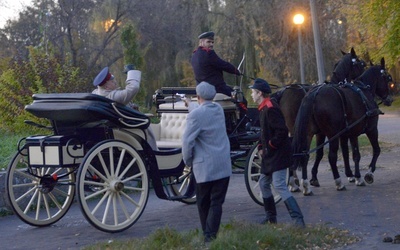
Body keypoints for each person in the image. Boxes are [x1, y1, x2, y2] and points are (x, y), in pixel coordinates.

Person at [249, 78, 305, 227]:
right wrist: (261, 146)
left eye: (253, 92)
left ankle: (298, 219)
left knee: (280, 185)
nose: (251, 95)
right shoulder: (263, 107)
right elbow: (265, 132)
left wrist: (270, 145)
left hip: (278, 154)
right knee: (263, 182)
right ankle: (271, 218)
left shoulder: (270, 107)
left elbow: (282, 131)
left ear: (260, 93)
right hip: (270, 155)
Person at [182, 82, 232, 242]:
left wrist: (188, 161)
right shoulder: (219, 110)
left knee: (203, 204)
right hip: (223, 166)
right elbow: (202, 110)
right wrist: (191, 104)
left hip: (205, 169)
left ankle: (208, 236)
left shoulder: (195, 116)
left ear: (198, 97)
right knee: (216, 203)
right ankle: (211, 237)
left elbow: (187, 142)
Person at [92, 65, 158, 151]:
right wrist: (131, 72)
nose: (115, 82)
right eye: (112, 81)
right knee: (146, 126)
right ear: (106, 87)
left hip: (112, 126)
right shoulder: (112, 96)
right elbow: (133, 88)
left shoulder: (96, 93)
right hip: (126, 127)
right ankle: (153, 151)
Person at [191, 31, 242, 97]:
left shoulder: (194, 55)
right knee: (240, 97)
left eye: (212, 42)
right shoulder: (209, 53)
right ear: (201, 42)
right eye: (208, 42)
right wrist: (237, 71)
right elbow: (223, 65)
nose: (211, 44)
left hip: (201, 91)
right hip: (216, 88)